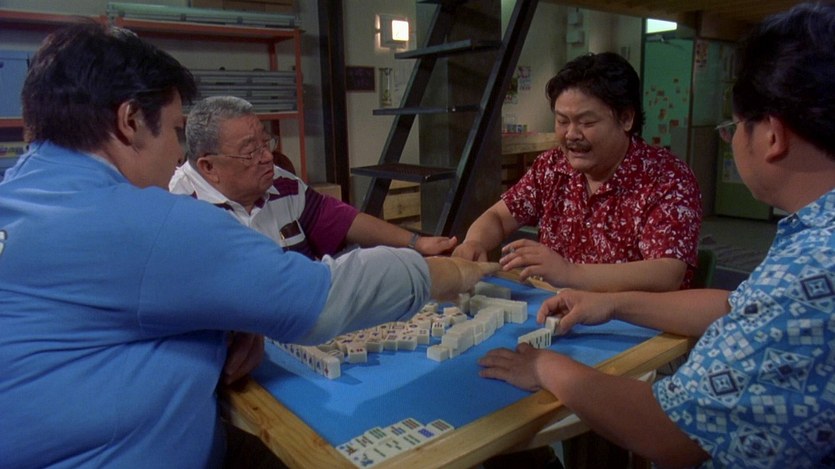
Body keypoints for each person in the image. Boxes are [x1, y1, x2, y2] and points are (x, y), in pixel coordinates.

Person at [0, 22, 497, 468]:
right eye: (174, 131)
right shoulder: (147, 219)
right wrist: (445, 273)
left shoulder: (16, 193)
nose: (177, 154)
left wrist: (221, 324)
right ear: (129, 121)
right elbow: (321, 300)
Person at [479, 3, 835, 467]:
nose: (570, 134)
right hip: (578, 319)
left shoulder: (810, 264)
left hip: (639, 355)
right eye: (562, 121)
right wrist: (611, 302)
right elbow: (741, 304)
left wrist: (545, 364)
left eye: (734, 127)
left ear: (772, 136)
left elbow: (673, 431)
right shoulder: (806, 240)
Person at [453, 52, 702, 292]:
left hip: (629, 317)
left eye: (587, 122)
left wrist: (569, 273)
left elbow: (666, 273)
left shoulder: (667, 177)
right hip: (553, 307)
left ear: (626, 118)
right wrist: (474, 242)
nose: (571, 134)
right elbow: (498, 217)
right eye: (562, 121)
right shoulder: (551, 167)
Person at [170, 95, 457, 259]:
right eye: (251, 151)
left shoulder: (282, 183)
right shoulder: (176, 208)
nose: (267, 157)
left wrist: (416, 243)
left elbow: (341, 219)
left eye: (266, 143)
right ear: (209, 167)